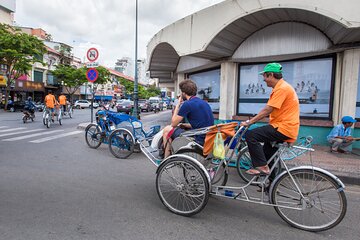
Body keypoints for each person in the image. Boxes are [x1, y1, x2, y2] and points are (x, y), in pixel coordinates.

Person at [240, 63, 300, 175]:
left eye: (265, 76)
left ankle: (262, 167)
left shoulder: (281, 89)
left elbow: (268, 110)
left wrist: (249, 122)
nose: (264, 79)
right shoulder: (282, 87)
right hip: (284, 127)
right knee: (268, 157)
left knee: (251, 135)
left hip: (283, 128)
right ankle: (270, 186)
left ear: (271, 75)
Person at [162, 79, 214, 158]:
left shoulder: (187, 104)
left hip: (198, 139)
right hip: (207, 138)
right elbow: (201, 124)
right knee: (176, 129)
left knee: (167, 129)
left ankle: (166, 158)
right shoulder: (204, 103)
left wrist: (178, 104)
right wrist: (185, 125)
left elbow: (173, 123)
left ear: (183, 93)